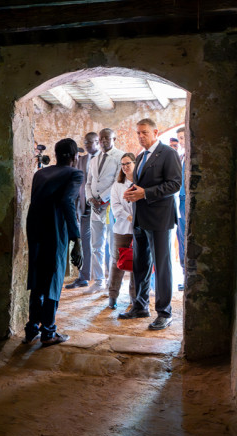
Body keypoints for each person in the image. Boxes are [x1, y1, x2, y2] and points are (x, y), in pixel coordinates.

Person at [121, 119, 182, 330]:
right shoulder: (140, 156)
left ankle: (165, 313)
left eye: (144, 132)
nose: (140, 136)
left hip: (159, 219)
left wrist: (145, 193)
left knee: (162, 266)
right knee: (140, 265)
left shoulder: (168, 153)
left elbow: (175, 184)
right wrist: (131, 193)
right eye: (138, 133)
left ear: (155, 132)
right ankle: (140, 305)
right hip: (139, 218)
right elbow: (140, 184)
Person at [24, 138, 84, 346]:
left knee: (38, 279)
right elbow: (67, 202)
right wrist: (76, 238)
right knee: (53, 281)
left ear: (57, 155)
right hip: (55, 230)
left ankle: (31, 328)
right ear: (75, 156)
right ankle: (48, 332)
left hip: (34, 229)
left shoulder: (40, 173)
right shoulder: (75, 173)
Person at [84, 128, 125, 293]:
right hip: (95, 207)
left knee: (112, 245)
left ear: (114, 138)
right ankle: (98, 281)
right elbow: (88, 182)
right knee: (96, 245)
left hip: (109, 206)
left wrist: (102, 199)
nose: (103, 141)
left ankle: (112, 282)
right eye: (101, 139)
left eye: (107, 138)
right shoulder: (94, 159)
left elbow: (117, 181)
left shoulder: (119, 156)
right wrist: (90, 199)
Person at [65, 132, 99, 289]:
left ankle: (101, 278)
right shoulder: (82, 160)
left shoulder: (104, 159)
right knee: (84, 242)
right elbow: (78, 185)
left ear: (97, 142)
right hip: (83, 208)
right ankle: (83, 276)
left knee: (101, 244)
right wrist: (77, 205)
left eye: (90, 142)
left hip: (101, 207)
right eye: (85, 143)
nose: (86, 145)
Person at [106, 152, 137, 309]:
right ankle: (112, 295)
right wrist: (129, 217)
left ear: (135, 164)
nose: (125, 167)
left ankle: (134, 297)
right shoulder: (117, 185)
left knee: (137, 263)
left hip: (140, 228)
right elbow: (116, 207)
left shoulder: (142, 182)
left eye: (128, 163)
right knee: (117, 262)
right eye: (122, 164)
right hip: (122, 228)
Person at [175, 126, 187, 291]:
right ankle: (185, 277)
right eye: (180, 138)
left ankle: (189, 278)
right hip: (179, 202)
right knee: (181, 239)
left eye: (183, 137)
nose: (181, 141)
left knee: (187, 239)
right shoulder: (181, 157)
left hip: (187, 202)